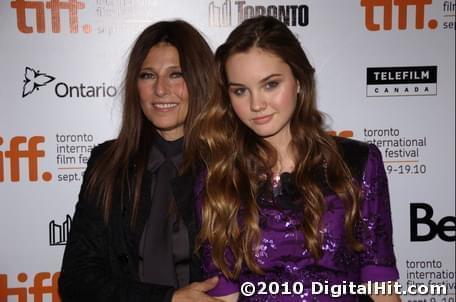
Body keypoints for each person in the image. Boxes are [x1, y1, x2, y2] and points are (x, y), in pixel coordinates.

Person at [192, 16, 400, 301]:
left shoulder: (357, 162)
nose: (256, 104)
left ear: (299, 81)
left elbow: (381, 283)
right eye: (240, 90)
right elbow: (224, 294)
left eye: (270, 84)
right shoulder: (217, 177)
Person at [58, 20, 222, 302]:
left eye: (176, 74)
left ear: (201, 80)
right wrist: (167, 299)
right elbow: (76, 278)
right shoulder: (107, 164)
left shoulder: (231, 165)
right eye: (147, 75)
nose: (160, 89)